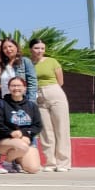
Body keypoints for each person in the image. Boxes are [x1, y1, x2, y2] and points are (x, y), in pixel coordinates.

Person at [28, 39, 70, 172]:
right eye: (36, 48)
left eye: (42, 48)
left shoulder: (52, 61)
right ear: (31, 49)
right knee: (46, 131)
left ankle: (63, 163)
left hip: (54, 92)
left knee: (61, 128)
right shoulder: (29, 63)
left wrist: (49, 90)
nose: (39, 51)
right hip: (38, 96)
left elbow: (61, 81)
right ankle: (50, 162)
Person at [0, 76, 44, 174]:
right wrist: (11, 133)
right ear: (9, 88)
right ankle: (5, 163)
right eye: (13, 86)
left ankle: (16, 160)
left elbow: (38, 126)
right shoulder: (1, 104)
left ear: (25, 88)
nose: (16, 88)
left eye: (19, 86)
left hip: (25, 140)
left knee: (33, 169)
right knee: (22, 146)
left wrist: (24, 133)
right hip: (5, 141)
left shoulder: (31, 106)